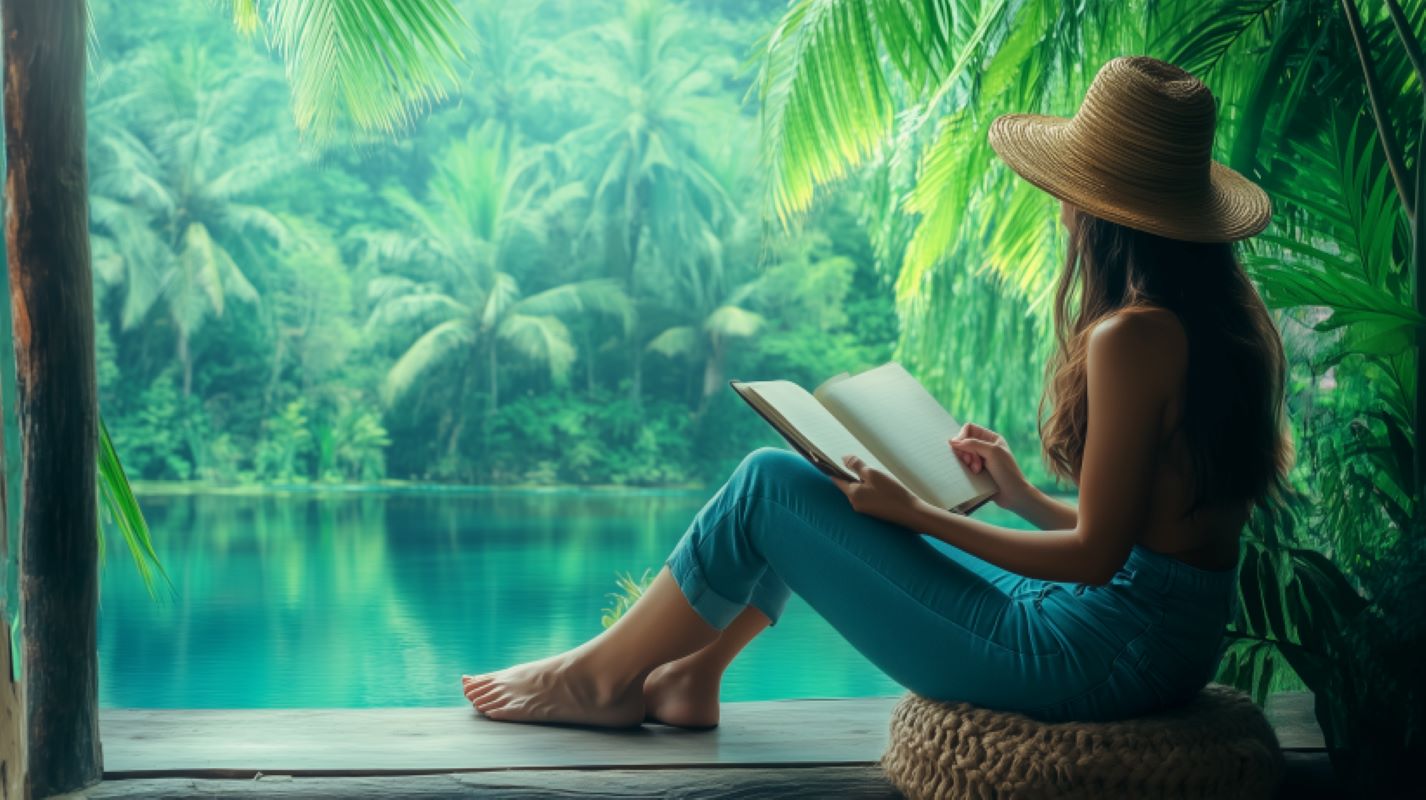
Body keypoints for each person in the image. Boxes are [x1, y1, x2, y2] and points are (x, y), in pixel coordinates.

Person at [460, 56, 1290, 729]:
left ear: (1098, 209)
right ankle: (690, 676)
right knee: (817, 490)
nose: (1063, 213)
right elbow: (1145, 538)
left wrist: (917, 514)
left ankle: (600, 679)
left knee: (767, 485)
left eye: (1071, 194)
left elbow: (1095, 558)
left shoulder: (1130, 336)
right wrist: (1021, 496)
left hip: (1091, 654)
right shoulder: (1229, 328)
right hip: (1157, 643)